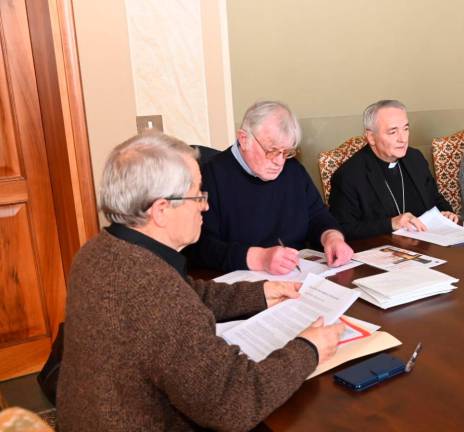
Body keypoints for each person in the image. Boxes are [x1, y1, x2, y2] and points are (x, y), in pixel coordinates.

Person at [57, 133, 344, 431]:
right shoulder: (157, 295)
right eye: (197, 195)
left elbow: (183, 292)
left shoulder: (100, 250)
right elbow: (235, 403)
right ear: (161, 210)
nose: (205, 206)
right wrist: (308, 349)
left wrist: (259, 293)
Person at [186, 101, 353, 274]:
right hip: (241, 283)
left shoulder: (292, 169)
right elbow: (199, 246)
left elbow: (317, 214)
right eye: (271, 151)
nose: (279, 161)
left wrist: (332, 237)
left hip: (298, 276)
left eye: (286, 152)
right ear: (244, 139)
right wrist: (259, 258)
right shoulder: (210, 176)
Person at [329, 100, 458, 240]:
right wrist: (390, 223)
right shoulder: (349, 175)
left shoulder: (415, 158)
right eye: (393, 132)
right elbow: (343, 229)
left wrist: (446, 213)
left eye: (406, 129)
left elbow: (434, 198)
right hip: (382, 251)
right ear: (371, 137)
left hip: (427, 244)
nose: (402, 139)